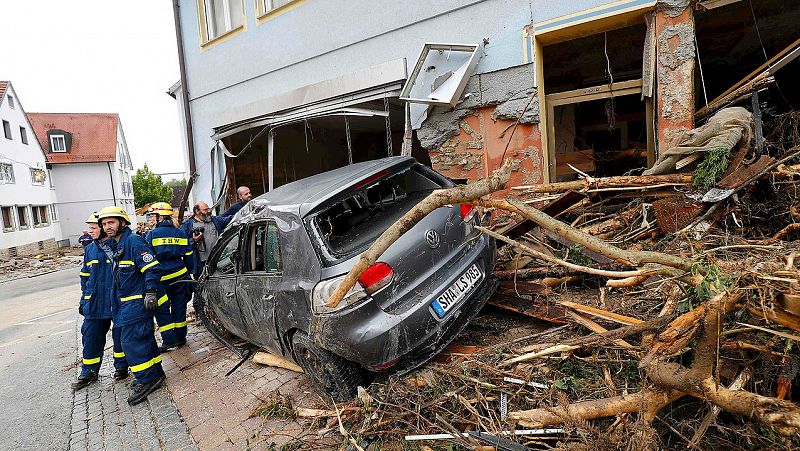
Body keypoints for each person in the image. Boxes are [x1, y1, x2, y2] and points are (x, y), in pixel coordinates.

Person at [96, 206, 166, 405]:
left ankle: (147, 379)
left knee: (131, 341)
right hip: (125, 303)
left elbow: (152, 267)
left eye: (111, 223)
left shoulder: (133, 242)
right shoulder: (118, 244)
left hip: (136, 302)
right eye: (104, 224)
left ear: (123, 223)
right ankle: (155, 373)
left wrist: (150, 292)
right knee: (143, 338)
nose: (107, 227)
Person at [72, 212, 129, 390]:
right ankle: (88, 371)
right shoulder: (90, 249)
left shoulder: (121, 245)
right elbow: (85, 277)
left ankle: (121, 367)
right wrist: (84, 300)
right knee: (90, 337)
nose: (90, 231)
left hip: (116, 300)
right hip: (95, 302)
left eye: (93, 227)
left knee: (120, 336)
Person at [145, 202, 194, 352]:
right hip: (180, 276)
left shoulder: (151, 235)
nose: (152, 219)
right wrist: (189, 272)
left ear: (160, 217)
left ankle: (169, 340)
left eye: (153, 216)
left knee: (162, 311)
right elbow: (188, 255)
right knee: (179, 308)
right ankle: (181, 338)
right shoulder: (180, 233)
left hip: (161, 280)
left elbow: (148, 259)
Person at [180, 202, 230, 278]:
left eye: (208, 209)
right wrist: (193, 240)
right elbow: (182, 245)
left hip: (218, 260)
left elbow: (229, 219)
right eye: (205, 210)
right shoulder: (187, 225)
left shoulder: (214, 220)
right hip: (200, 264)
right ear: (197, 211)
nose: (209, 211)